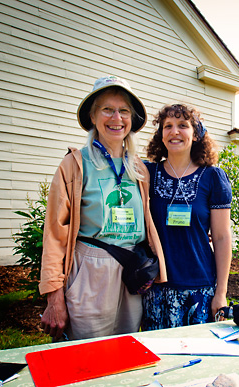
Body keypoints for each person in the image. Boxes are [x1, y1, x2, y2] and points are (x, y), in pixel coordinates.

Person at [39, 76, 167, 341]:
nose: (116, 117)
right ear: (93, 116)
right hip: (90, 268)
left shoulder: (139, 167)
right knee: (86, 353)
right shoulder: (74, 165)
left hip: (131, 271)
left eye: (124, 111)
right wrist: (54, 295)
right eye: (107, 109)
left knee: (127, 349)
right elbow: (54, 234)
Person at [142, 103, 232, 330]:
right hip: (157, 289)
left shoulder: (213, 177)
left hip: (199, 289)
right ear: (161, 135)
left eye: (183, 125)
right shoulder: (147, 174)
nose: (174, 132)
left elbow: (221, 238)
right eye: (168, 126)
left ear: (196, 134)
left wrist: (221, 293)